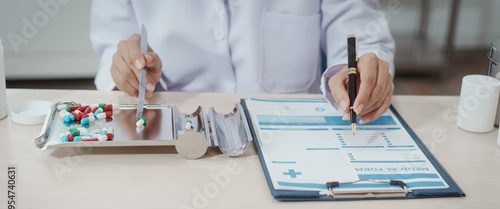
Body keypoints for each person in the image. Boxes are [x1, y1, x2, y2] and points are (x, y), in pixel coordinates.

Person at [90, 0, 395, 123]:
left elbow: (358, 28)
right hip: (171, 126)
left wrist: (357, 68)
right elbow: (112, 45)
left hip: (287, 129)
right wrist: (126, 68)